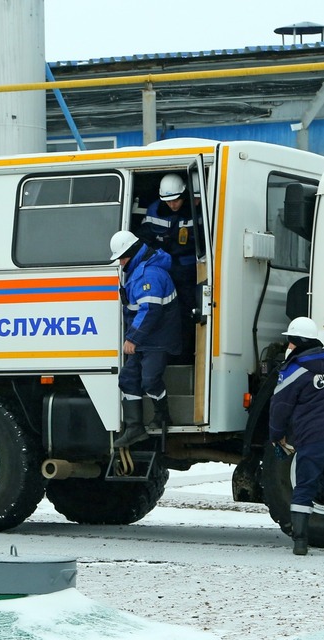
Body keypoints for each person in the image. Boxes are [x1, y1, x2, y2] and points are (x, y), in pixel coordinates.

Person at [268, 310, 324, 556]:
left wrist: (276, 435)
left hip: (312, 440)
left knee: (304, 487)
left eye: (291, 340)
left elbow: (279, 408)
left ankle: (300, 542)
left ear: (298, 342)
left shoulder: (293, 371)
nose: (288, 345)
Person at [109, 230, 181, 447]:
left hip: (156, 341)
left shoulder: (148, 274)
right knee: (128, 379)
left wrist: (132, 339)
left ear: (132, 252)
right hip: (147, 340)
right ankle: (134, 429)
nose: (121, 263)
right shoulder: (141, 269)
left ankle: (162, 414)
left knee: (150, 380)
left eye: (122, 258)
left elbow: (150, 310)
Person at [142, 173, 198, 363]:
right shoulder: (154, 211)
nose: (172, 204)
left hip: (190, 270)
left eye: (176, 200)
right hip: (163, 270)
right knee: (164, 314)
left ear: (184, 195)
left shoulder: (196, 210)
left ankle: (186, 355)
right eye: (168, 201)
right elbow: (145, 240)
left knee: (189, 312)